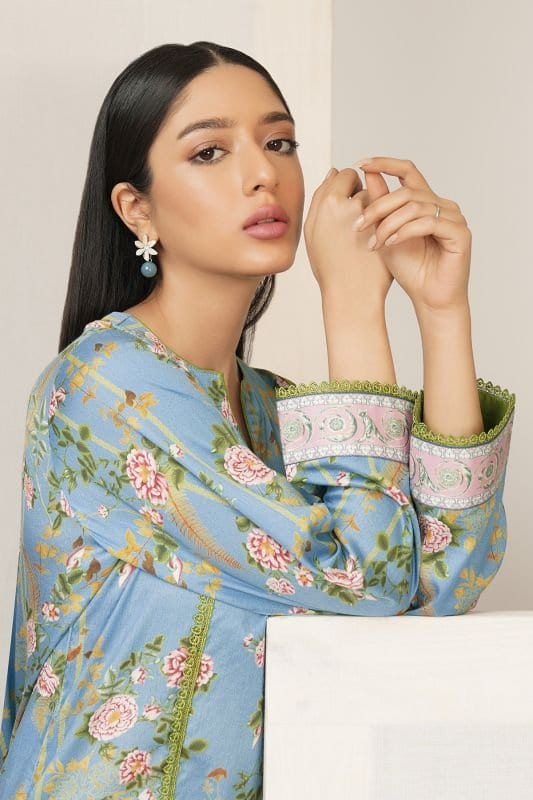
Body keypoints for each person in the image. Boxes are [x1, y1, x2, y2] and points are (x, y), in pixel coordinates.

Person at [0, 41, 515, 800]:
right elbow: (366, 578)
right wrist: (350, 305)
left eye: (279, 143)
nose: (262, 174)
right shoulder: (108, 389)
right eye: (209, 152)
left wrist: (440, 312)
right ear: (137, 208)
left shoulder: (276, 410)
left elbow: (439, 582)